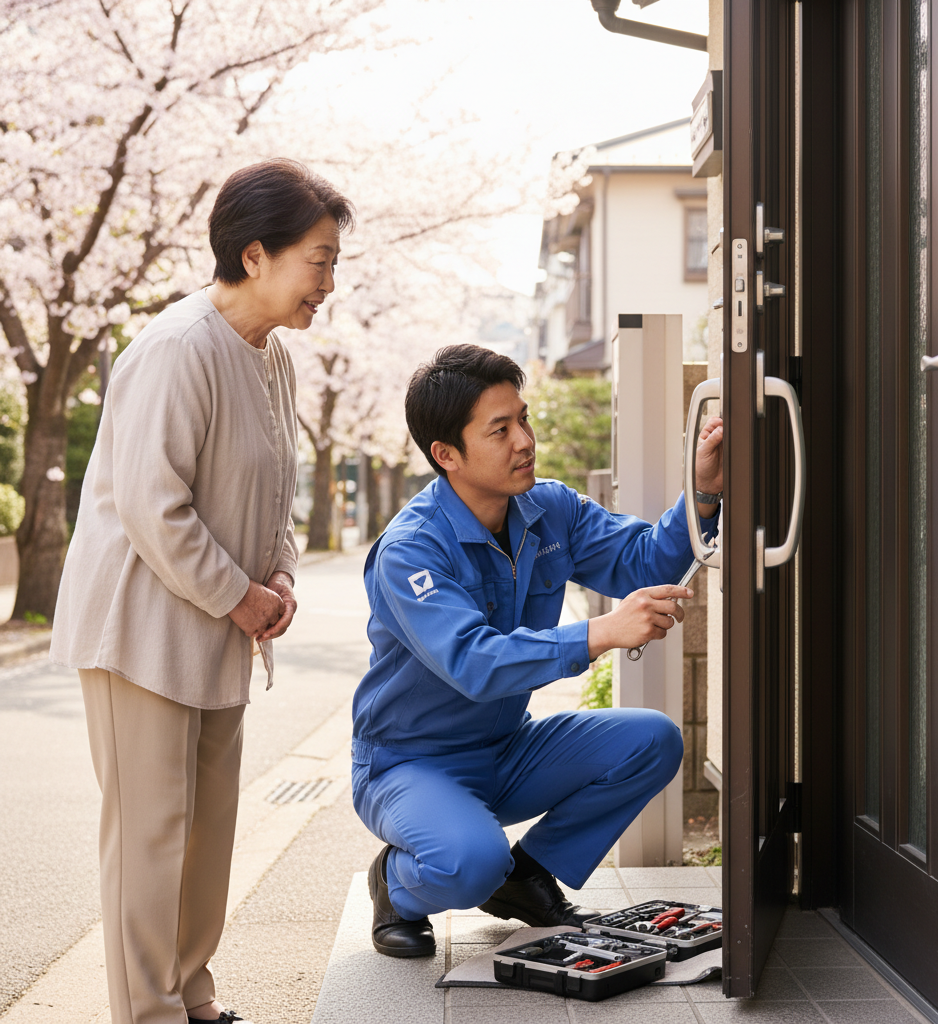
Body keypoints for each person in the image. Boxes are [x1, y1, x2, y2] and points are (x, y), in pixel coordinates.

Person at [50, 159, 353, 1024]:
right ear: (254, 256)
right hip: (139, 630)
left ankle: (191, 999)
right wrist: (243, 597)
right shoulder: (178, 346)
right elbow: (154, 506)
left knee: (207, 833)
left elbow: (274, 492)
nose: (327, 284)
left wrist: (283, 572)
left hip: (217, 626)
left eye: (333, 264)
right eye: (318, 262)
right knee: (150, 839)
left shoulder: (271, 358)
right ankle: (146, 1013)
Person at [352, 344, 724, 957]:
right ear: (446, 455)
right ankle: (395, 884)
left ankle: (525, 877)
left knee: (652, 740)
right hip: (409, 764)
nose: (524, 441)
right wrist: (601, 632)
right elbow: (473, 662)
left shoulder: (548, 508)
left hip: (506, 748)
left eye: (523, 419)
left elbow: (643, 561)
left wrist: (703, 490)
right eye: (500, 430)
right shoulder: (410, 551)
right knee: (471, 861)